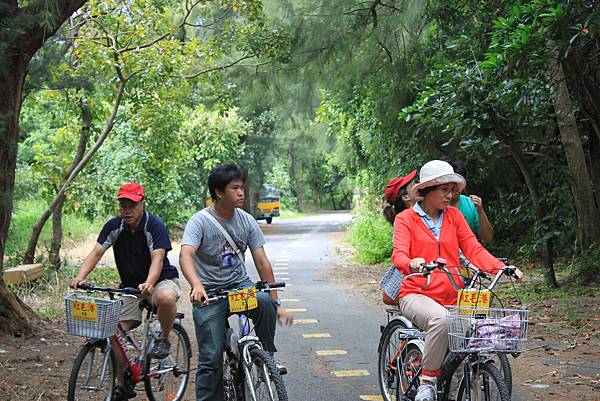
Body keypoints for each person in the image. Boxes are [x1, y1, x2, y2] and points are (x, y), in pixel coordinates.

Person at [391, 160, 523, 401]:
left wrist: (501, 267)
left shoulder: (453, 217)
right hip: (415, 293)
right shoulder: (406, 219)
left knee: (469, 339)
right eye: (445, 190)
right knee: (441, 320)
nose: (451, 195)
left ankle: (456, 392)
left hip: (453, 295)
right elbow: (399, 253)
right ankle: (427, 383)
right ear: (427, 190)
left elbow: (474, 249)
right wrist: (413, 262)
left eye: (453, 190)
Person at [179, 164, 294, 401]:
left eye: (242, 187)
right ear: (219, 192)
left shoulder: (247, 220)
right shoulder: (199, 222)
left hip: (239, 288)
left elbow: (262, 262)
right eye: (235, 188)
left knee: (263, 301)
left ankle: (266, 358)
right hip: (210, 294)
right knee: (211, 359)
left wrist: (276, 302)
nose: (241, 193)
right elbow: (185, 256)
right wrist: (197, 286)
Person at [69, 182, 181, 401]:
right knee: (112, 330)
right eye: (123, 205)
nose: (127, 210)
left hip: (159, 280)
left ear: (142, 204)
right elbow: (96, 253)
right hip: (130, 288)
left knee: (166, 298)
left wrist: (149, 282)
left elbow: (158, 259)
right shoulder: (114, 226)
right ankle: (123, 384)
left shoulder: (153, 225)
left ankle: (164, 338)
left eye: (132, 205)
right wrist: (80, 276)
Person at [447, 159, 494, 243]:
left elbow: (488, 238)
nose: (456, 187)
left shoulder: (471, 204)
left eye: (459, 182)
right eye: (452, 182)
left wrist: (480, 211)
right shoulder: (435, 204)